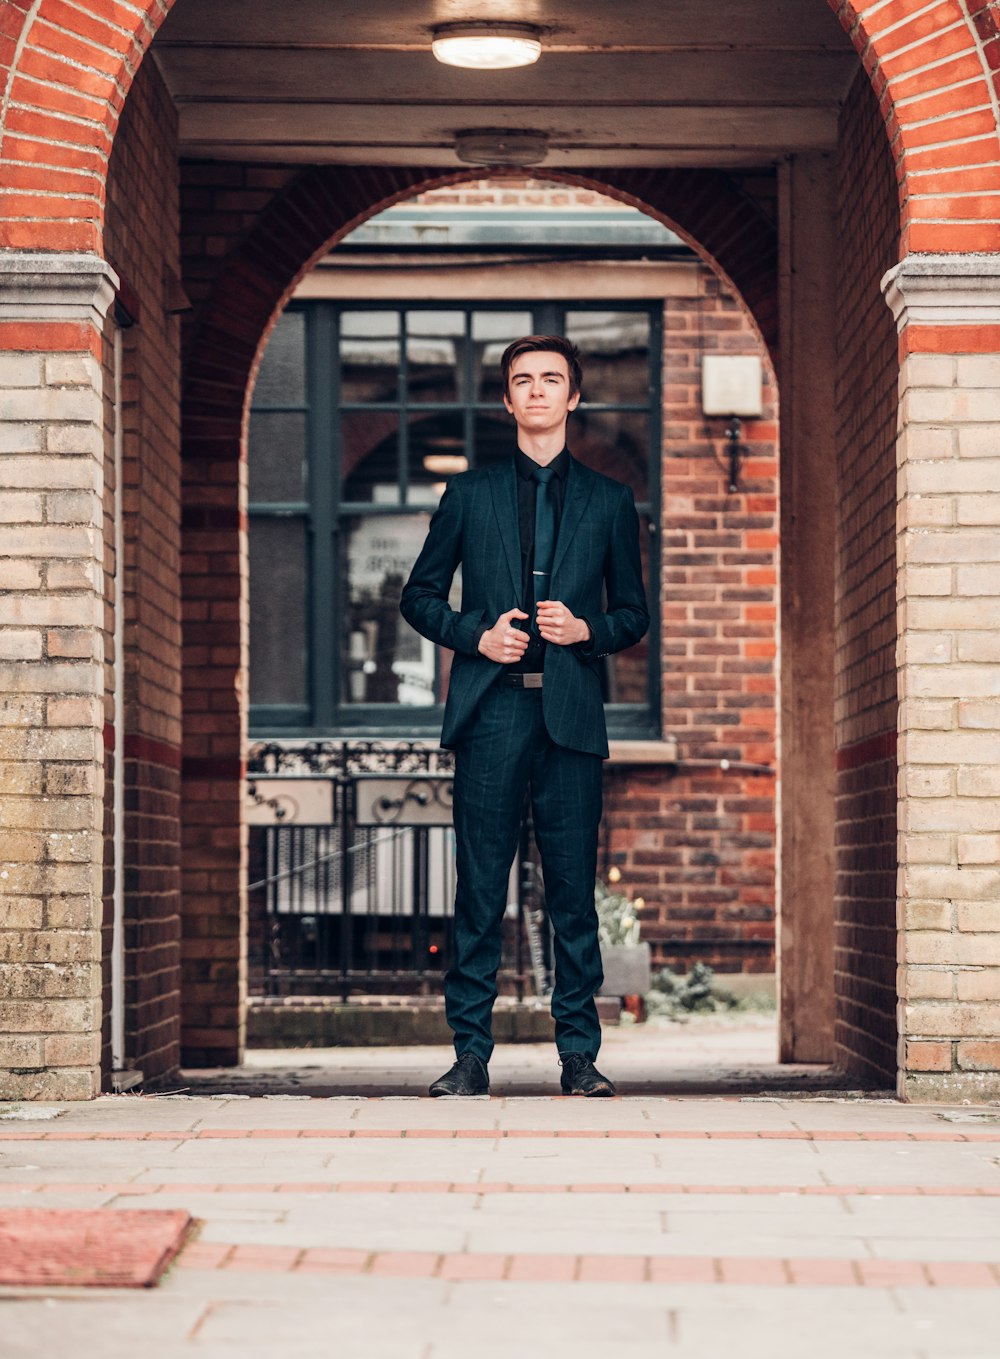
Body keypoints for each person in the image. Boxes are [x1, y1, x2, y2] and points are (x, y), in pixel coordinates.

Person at [400, 335, 650, 1097]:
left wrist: (587, 631)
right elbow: (418, 596)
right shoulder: (467, 496)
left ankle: (579, 1053)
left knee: (572, 893)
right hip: (492, 713)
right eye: (522, 381)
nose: (537, 391)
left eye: (551, 380)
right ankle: (470, 1053)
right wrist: (476, 633)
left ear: (574, 397)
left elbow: (634, 613)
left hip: (570, 717)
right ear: (506, 400)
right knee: (480, 890)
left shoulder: (610, 503)